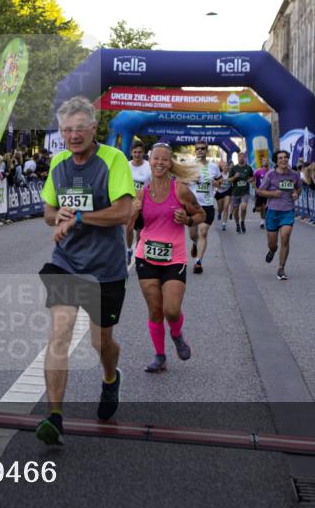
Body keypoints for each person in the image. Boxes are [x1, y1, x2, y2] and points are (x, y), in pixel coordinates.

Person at [34, 96, 134, 445]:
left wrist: (77, 217)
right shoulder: (59, 163)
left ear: (94, 129)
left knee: (101, 342)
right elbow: (48, 211)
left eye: (80, 128)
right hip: (66, 262)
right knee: (59, 332)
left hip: (105, 268)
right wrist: (58, 216)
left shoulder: (113, 159)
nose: (73, 135)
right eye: (67, 130)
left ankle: (110, 378)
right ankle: (55, 417)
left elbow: (123, 212)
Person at [126, 143, 203, 372]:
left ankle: (177, 335)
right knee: (155, 310)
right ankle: (159, 356)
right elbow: (128, 232)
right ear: (150, 161)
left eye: (164, 160)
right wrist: (132, 214)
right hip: (146, 256)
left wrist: (187, 220)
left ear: (170, 163)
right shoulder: (141, 194)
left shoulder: (179, 190)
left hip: (174, 258)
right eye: (156, 159)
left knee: (171, 309)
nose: (159, 163)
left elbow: (201, 213)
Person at [257, 150, 302, 280]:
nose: (283, 159)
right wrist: (272, 194)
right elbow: (260, 191)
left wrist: (296, 194)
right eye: (280, 158)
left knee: (285, 237)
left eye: (285, 157)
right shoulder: (271, 175)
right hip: (272, 211)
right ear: (276, 161)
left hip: (288, 211)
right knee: (272, 243)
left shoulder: (294, 175)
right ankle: (272, 250)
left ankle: (281, 268)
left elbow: (299, 188)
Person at [187, 142, 222, 274]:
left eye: (202, 149)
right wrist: (191, 179)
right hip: (192, 206)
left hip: (207, 205)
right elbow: (179, 181)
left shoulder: (213, 166)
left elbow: (220, 181)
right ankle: (195, 244)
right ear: (195, 151)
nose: (200, 151)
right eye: (197, 149)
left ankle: (198, 262)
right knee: (193, 235)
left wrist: (216, 182)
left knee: (203, 232)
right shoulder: (190, 166)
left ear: (206, 151)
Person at [126, 140, 152, 262]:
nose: (137, 155)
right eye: (135, 152)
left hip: (144, 203)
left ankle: (138, 252)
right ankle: (128, 249)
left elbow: (153, 184)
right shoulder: (126, 165)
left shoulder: (149, 166)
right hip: (129, 203)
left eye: (140, 152)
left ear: (144, 153)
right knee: (128, 228)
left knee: (140, 231)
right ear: (131, 153)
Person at [227, 153, 254, 234]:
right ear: (238, 158)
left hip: (245, 192)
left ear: (245, 158)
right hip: (235, 192)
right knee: (235, 211)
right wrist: (234, 177)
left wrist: (250, 180)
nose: (241, 159)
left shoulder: (248, 168)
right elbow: (229, 180)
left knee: (244, 207)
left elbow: (252, 177)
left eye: (243, 157)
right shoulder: (234, 168)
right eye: (240, 157)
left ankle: (242, 222)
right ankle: (237, 224)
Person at [214, 158, 232, 230]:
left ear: (228, 167)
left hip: (228, 192)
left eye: (226, 166)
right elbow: (214, 184)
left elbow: (234, 181)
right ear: (221, 167)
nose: (225, 167)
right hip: (219, 192)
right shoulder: (218, 175)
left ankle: (224, 224)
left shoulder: (230, 175)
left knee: (226, 207)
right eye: (223, 166)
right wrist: (219, 185)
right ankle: (219, 213)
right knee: (220, 208)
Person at [253, 156, 270, 229]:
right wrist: (256, 189)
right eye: (264, 161)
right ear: (262, 162)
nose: (265, 162)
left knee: (265, 207)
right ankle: (256, 208)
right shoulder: (258, 171)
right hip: (259, 192)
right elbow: (253, 180)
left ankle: (263, 222)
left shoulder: (270, 171)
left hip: (267, 192)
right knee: (259, 209)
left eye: (266, 161)